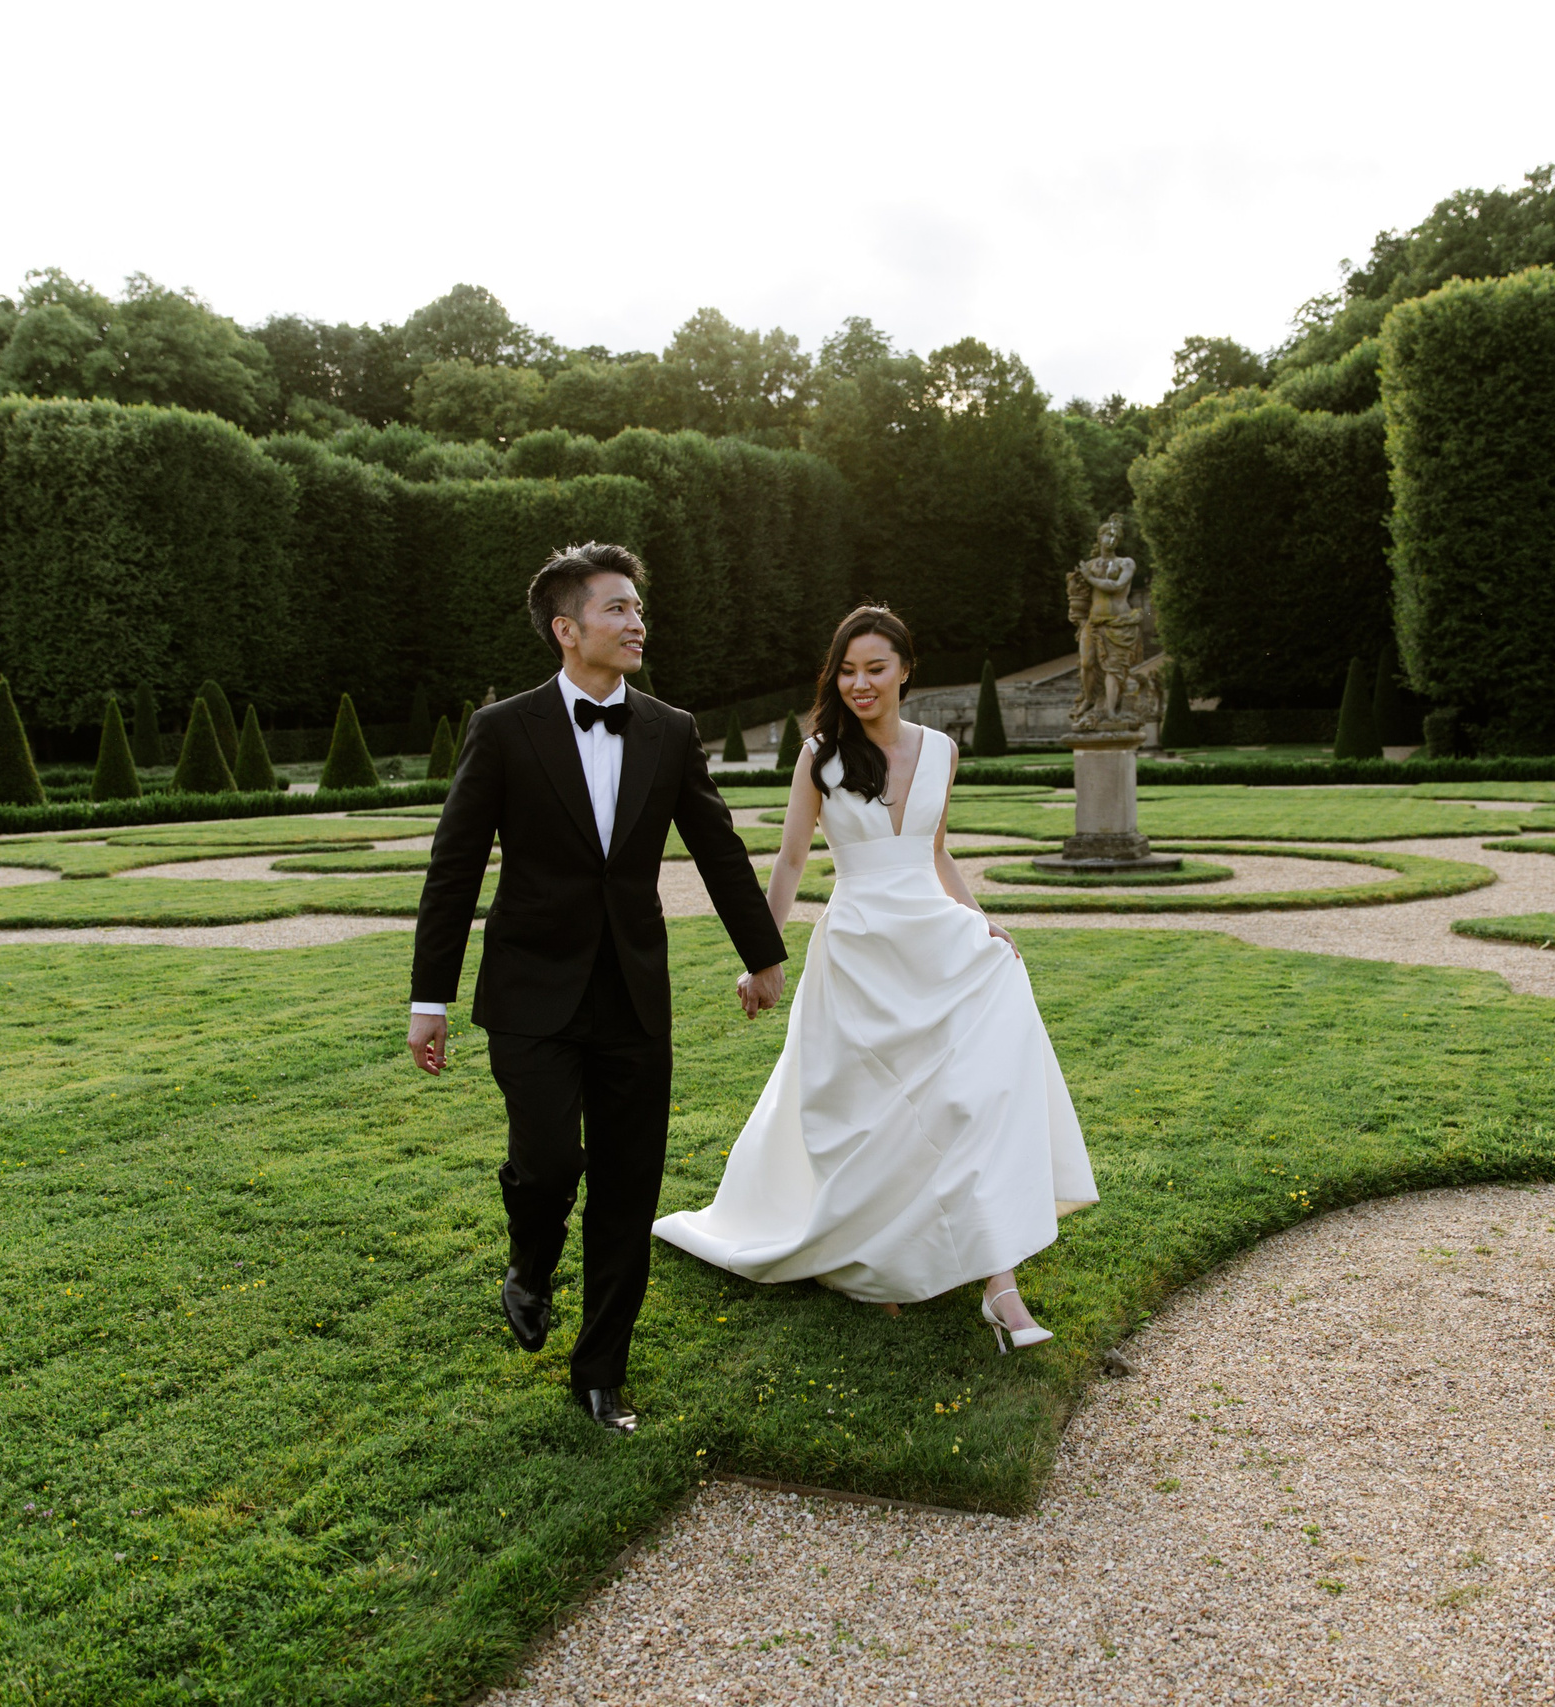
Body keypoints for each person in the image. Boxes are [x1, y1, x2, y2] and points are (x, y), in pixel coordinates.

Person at [408, 542, 787, 1435]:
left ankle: (600, 1374)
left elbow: (718, 846)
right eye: (617, 608)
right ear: (566, 628)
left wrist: (763, 954)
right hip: (529, 992)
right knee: (547, 1162)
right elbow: (454, 867)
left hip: (633, 994)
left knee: (629, 1183)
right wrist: (430, 998)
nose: (637, 622)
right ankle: (530, 1263)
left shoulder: (670, 729)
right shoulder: (503, 729)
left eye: (638, 608)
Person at [653, 606, 1097, 1350]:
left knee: (973, 1100)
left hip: (940, 945)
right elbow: (791, 860)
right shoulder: (819, 757)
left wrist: (981, 918)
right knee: (865, 1119)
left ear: (905, 671)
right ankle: (876, 1260)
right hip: (858, 952)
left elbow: (936, 850)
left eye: (875, 668)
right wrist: (762, 957)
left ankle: (1001, 1286)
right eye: (847, 671)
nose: (859, 683)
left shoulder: (942, 749)